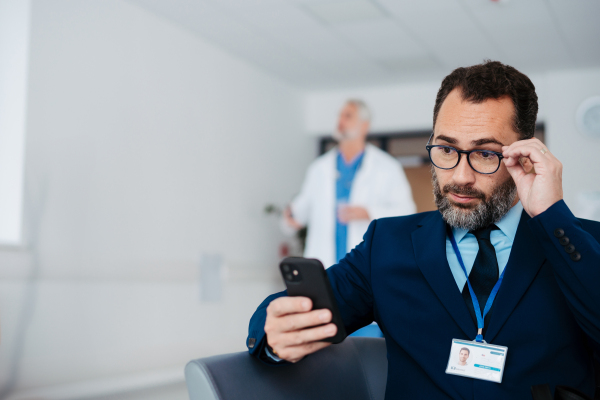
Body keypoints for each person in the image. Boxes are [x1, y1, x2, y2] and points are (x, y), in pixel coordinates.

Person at [246, 60, 600, 399]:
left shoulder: (577, 243)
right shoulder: (387, 244)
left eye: (485, 154)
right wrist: (273, 331)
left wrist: (552, 216)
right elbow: (299, 308)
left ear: (523, 154)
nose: (461, 176)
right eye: (446, 149)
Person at [283, 99, 415, 269]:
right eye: (339, 115)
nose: (341, 121)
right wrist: (291, 218)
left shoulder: (388, 167)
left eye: (348, 116)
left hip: (367, 267)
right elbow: (300, 211)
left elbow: (407, 213)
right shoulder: (318, 168)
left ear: (364, 126)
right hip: (325, 266)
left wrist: (369, 212)